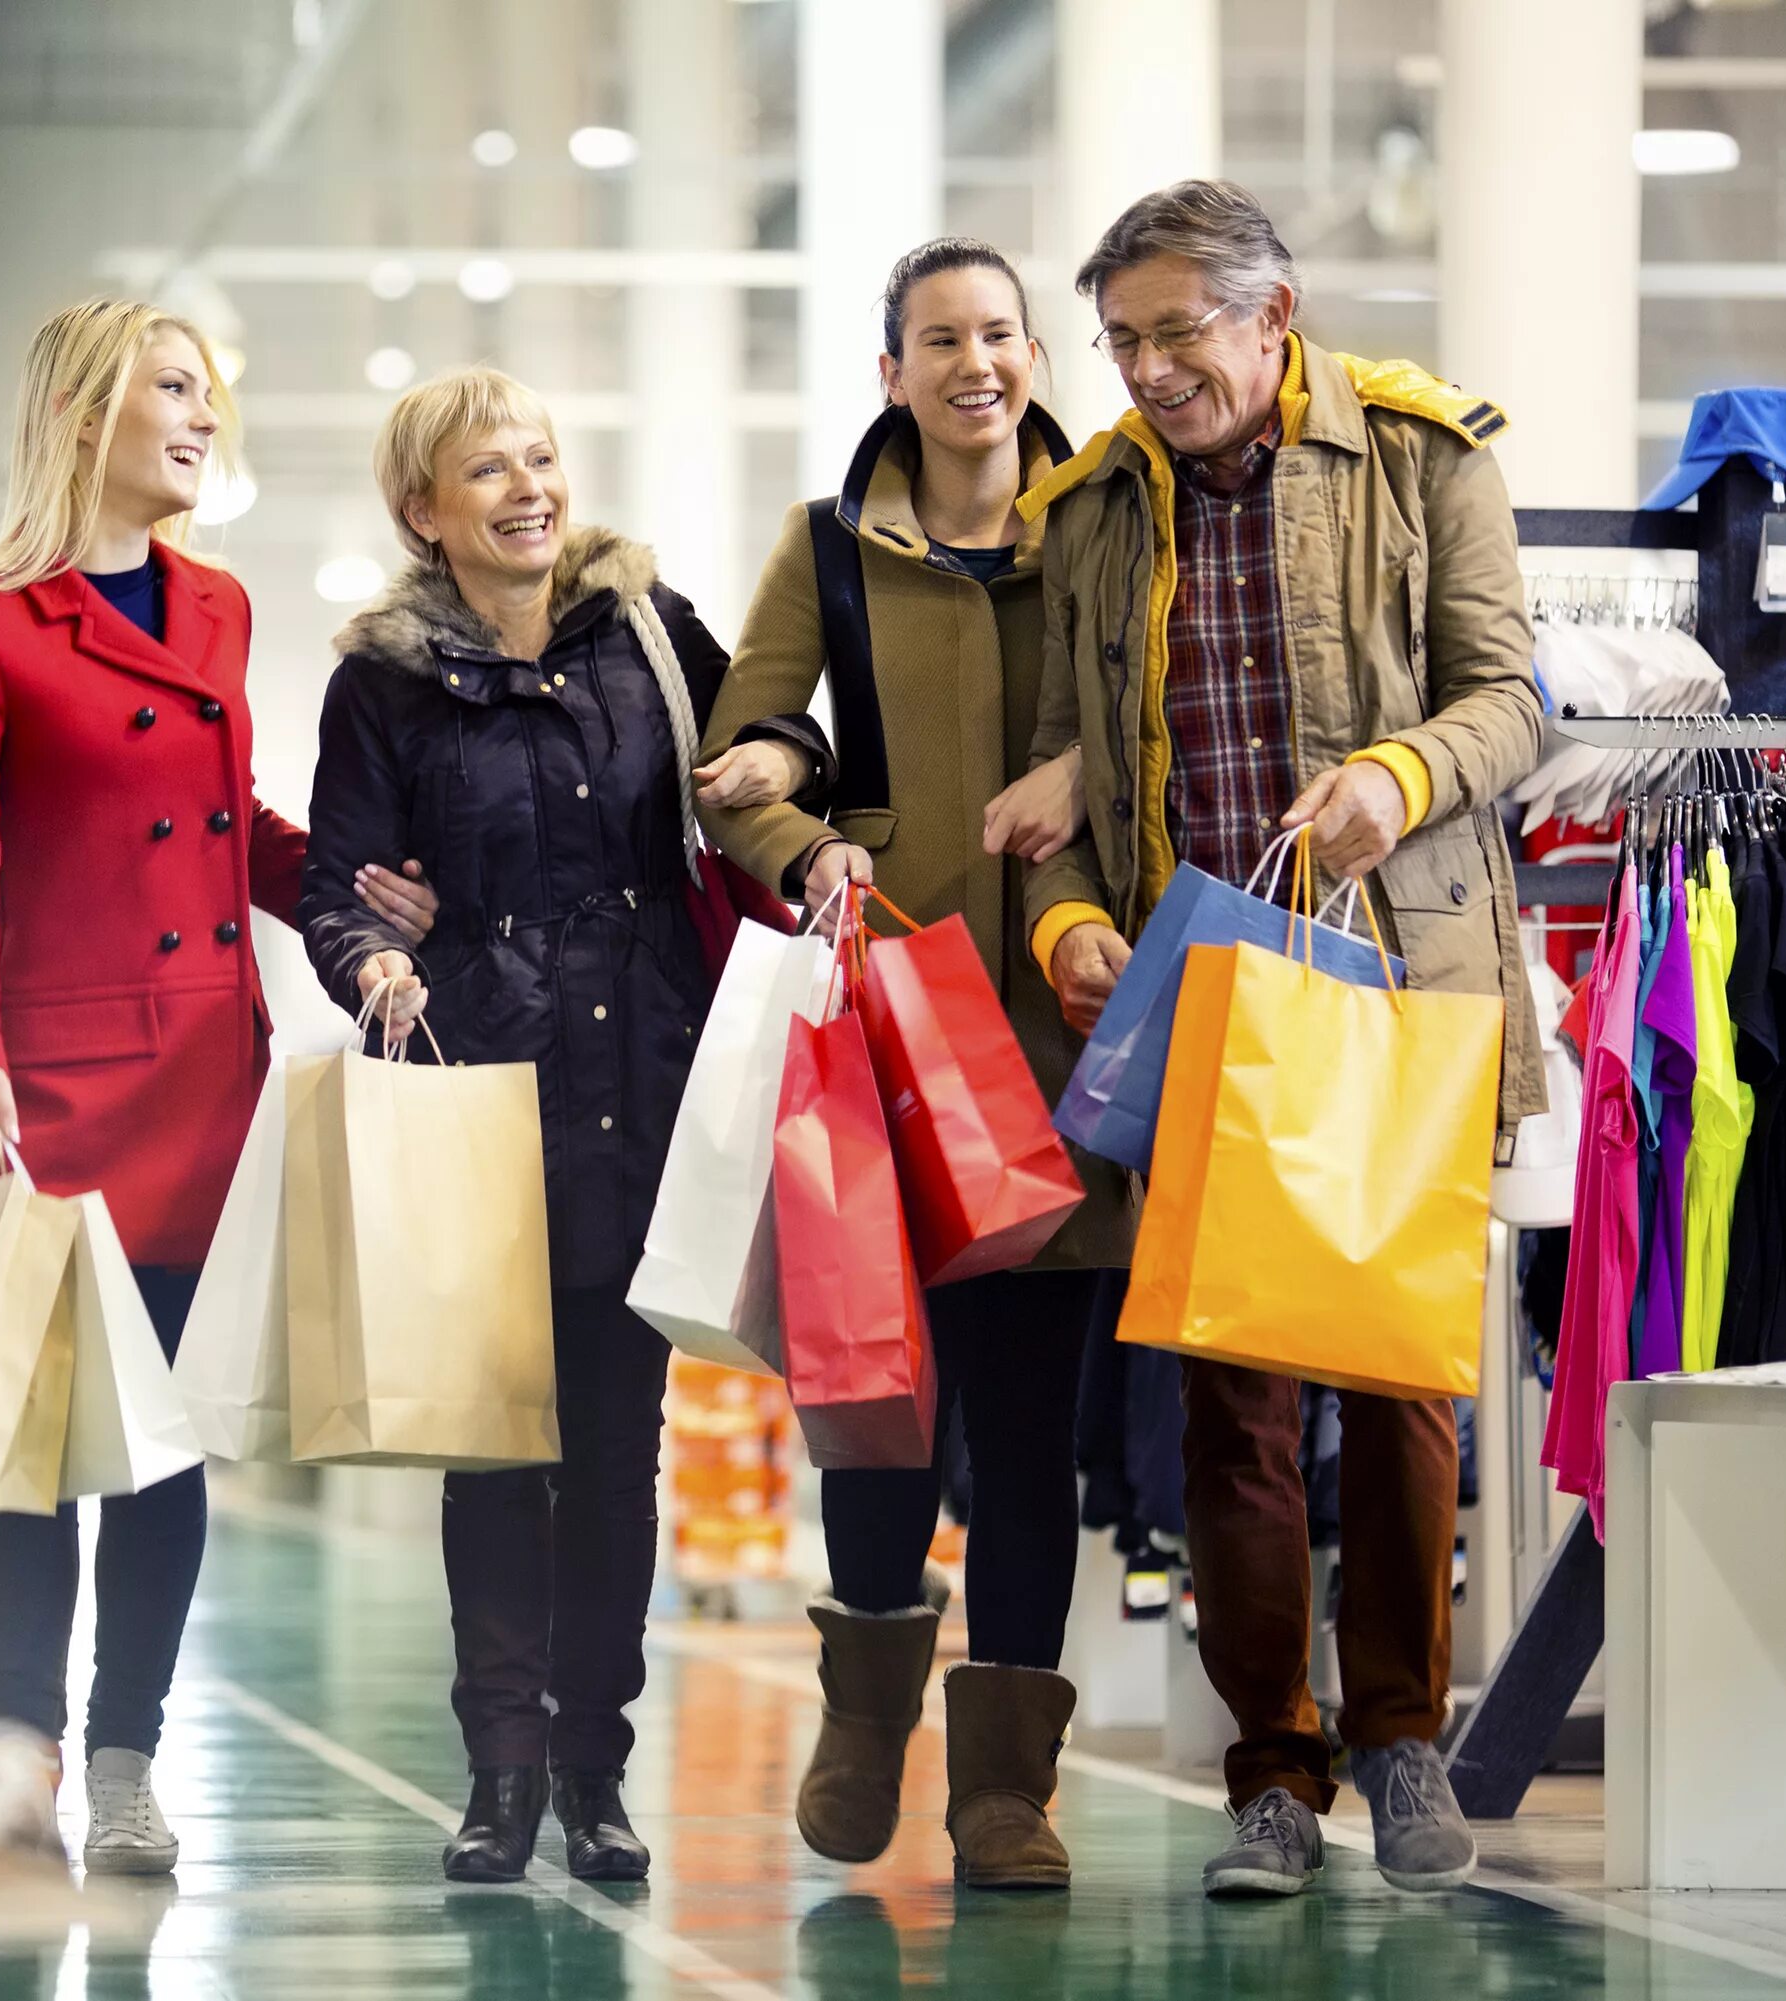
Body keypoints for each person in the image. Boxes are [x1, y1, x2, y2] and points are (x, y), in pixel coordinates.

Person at [1019, 180, 1546, 1899]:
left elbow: (1510, 696)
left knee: (1401, 1381)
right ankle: (1271, 1772)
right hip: (1213, 1004)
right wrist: (1068, 920)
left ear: (1274, 313)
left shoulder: (1419, 456)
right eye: (1123, 343)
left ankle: (1404, 1739)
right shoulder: (1094, 505)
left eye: (1181, 331)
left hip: (1396, 986)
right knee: (1229, 1400)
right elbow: (1074, 754)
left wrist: (1401, 775)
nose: (1154, 371)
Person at [0, 298, 438, 1874]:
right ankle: (19, 1760)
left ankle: (125, 1757)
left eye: (215, 397)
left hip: (201, 1068)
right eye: (178, 391)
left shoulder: (216, 606)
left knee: (160, 1443)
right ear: (83, 413)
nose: (208, 422)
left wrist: (340, 885)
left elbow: (219, 812)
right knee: (33, 1445)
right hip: (45, 1086)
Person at [300, 366, 819, 1886]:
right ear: (424, 512)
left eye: (541, 457)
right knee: (493, 1450)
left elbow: (776, 752)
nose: (529, 486)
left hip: (651, 1085)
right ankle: (499, 1774)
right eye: (487, 470)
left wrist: (782, 766)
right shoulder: (382, 685)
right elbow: (338, 885)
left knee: (613, 1450)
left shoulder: (651, 633)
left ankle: (596, 1768)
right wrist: (378, 955)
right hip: (480, 1082)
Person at [697, 238, 1135, 1892]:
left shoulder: (1109, 522)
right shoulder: (827, 547)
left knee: (1031, 1431)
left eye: (1001, 334)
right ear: (891, 371)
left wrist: (1091, 774)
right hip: (881, 1043)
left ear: (1036, 354)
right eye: (939, 338)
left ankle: (1006, 1790)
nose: (976, 363)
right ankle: (866, 1713)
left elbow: (1155, 714)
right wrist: (812, 846)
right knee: (876, 1405)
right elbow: (735, 767)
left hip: (1060, 1035)